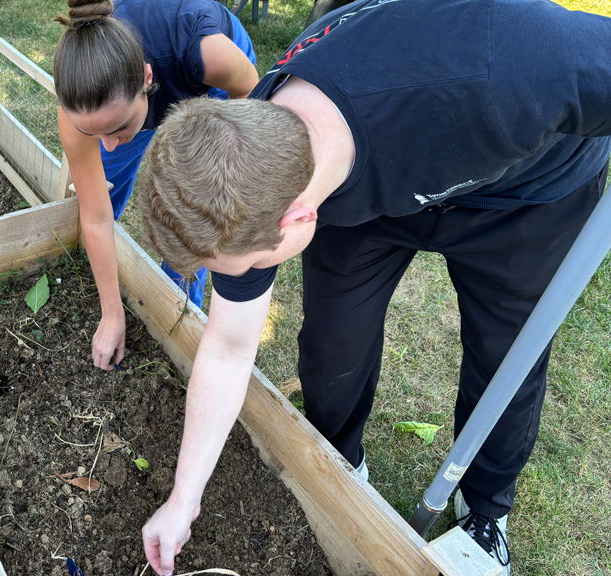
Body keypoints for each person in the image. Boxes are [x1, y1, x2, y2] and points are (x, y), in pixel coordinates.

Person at [134, 0, 611, 574]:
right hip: (368, 194)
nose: (236, 280)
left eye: (241, 268)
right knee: (333, 348)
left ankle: (485, 509)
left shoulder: (500, 65)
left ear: (297, 220)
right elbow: (229, 349)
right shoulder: (250, 168)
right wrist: (183, 500)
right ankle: (342, 466)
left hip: (525, 196)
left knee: (507, 357)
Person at [52, 0, 258, 372]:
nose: (108, 144)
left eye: (118, 128)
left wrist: (220, 168)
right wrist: (112, 312)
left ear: (148, 80)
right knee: (104, 184)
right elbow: (95, 216)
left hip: (216, 83)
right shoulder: (81, 111)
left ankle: (178, 305)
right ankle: (105, 276)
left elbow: (248, 90)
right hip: (135, 94)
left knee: (197, 207)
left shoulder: (207, 54)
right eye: (94, 132)